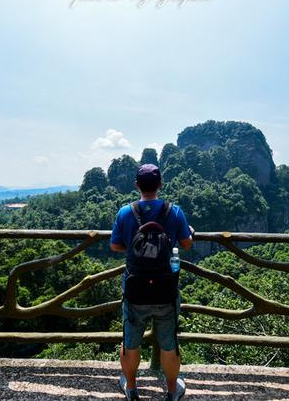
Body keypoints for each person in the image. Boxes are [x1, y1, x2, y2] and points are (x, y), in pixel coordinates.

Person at [111, 164, 194, 401]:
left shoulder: (125, 212)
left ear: (137, 185)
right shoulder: (174, 211)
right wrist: (189, 231)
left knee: (130, 342)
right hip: (165, 290)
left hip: (135, 289)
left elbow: (115, 245)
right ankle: (170, 390)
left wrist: (137, 247)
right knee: (169, 343)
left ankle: (132, 388)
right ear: (160, 185)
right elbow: (186, 244)